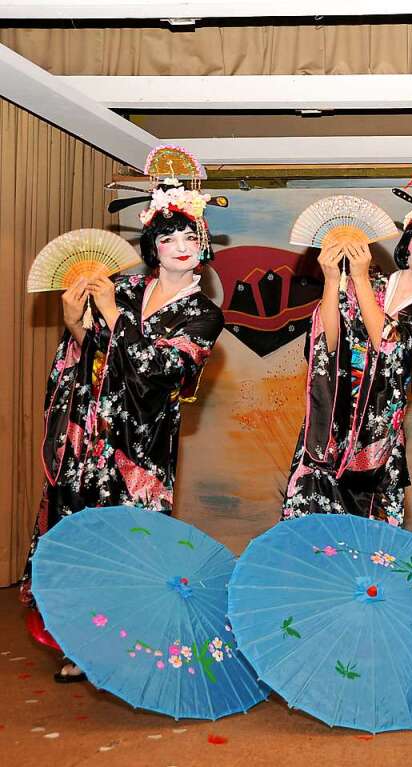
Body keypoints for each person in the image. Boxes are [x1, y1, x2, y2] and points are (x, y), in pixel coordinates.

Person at [24, 147, 226, 681]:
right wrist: (73, 324)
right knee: (81, 530)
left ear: (203, 244)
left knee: (130, 539)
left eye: (189, 237)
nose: (180, 247)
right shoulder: (130, 287)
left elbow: (158, 370)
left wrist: (112, 315)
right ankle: (78, 641)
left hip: (143, 441)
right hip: (89, 433)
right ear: (152, 246)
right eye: (168, 238)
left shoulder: (204, 313)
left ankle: (126, 643)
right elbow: (93, 355)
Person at [282, 163, 412, 525]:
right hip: (328, 421)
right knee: (309, 528)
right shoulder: (369, 284)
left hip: (375, 438)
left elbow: (387, 344)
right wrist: (331, 280)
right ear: (405, 245)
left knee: (367, 541)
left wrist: (357, 277)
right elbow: (326, 341)